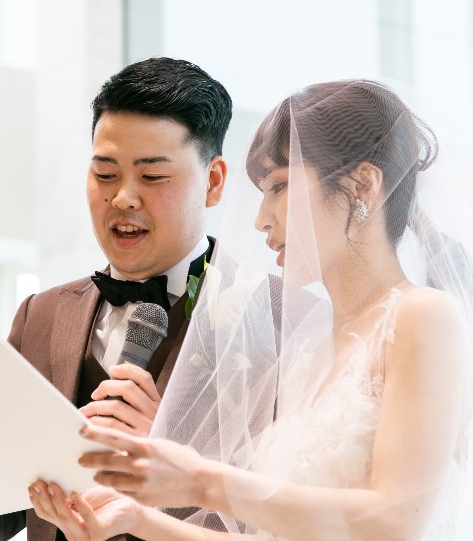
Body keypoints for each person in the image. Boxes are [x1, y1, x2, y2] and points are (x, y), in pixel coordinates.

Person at [29, 80, 473, 540]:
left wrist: (200, 480)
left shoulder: (423, 317)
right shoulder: (312, 348)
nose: (261, 219)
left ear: (363, 184)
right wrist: (136, 520)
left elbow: (395, 521)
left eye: (279, 186)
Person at [0, 56, 232, 541]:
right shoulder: (40, 315)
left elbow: (289, 515)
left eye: (152, 177)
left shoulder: (273, 317)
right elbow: (7, 510)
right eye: (105, 173)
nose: (123, 198)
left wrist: (172, 462)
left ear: (213, 182)